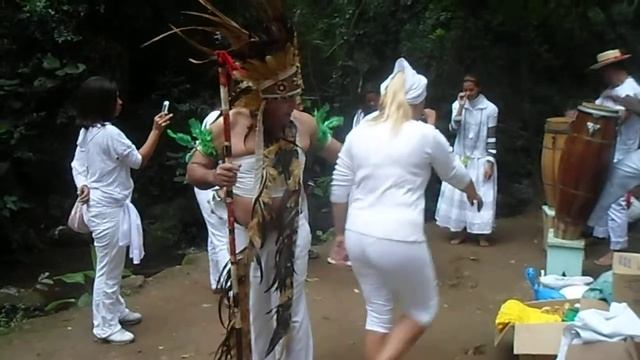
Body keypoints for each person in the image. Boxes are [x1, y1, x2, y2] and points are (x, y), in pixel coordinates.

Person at [179, 3, 341, 359]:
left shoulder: (304, 124)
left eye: (296, 95)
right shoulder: (227, 125)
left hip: (292, 232)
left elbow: (344, 158)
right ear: (264, 97)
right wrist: (212, 174)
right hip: (245, 237)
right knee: (254, 308)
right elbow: (194, 170)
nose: (294, 103)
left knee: (292, 307)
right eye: (285, 98)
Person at [331, 58, 482, 360]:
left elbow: (339, 186)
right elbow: (453, 172)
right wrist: (473, 193)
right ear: (417, 102)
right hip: (399, 236)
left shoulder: (359, 132)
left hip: (358, 234)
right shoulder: (424, 134)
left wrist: (339, 235)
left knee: (378, 312)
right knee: (422, 310)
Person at [70, 76, 172, 344]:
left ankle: (115, 310)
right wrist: (156, 131)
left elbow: (77, 165)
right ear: (103, 104)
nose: (120, 102)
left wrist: (82, 184)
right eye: (115, 98)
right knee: (108, 268)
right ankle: (104, 326)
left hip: (101, 207)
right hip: (108, 209)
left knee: (111, 264)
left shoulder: (88, 132)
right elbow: (139, 161)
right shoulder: (110, 134)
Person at [587, 49, 640, 266]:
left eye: (604, 71)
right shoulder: (611, 90)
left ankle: (617, 249)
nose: (602, 76)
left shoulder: (631, 90)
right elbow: (595, 109)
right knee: (604, 196)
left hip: (625, 152)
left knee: (617, 201)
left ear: (611, 69)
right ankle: (601, 235)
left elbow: (620, 118)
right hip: (609, 152)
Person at [435, 74, 499, 247]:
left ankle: (481, 234)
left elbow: (491, 138)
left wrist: (489, 162)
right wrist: (460, 109)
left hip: (480, 158)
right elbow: (452, 129)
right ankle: (460, 232)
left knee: (481, 193)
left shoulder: (490, 109)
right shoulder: (457, 105)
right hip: (461, 156)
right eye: (465, 90)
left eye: (472, 90)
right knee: (459, 194)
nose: (468, 93)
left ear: (478, 89)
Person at [191, 110, 230, 293]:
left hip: (211, 182)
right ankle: (231, 288)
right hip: (213, 181)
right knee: (223, 237)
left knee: (215, 232)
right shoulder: (222, 122)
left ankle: (218, 280)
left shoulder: (212, 116)